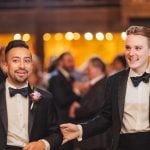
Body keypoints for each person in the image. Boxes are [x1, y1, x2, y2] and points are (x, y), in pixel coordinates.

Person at [60, 25, 150, 150]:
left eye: (138, 48)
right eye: (128, 48)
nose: (131, 53)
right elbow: (106, 117)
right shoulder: (114, 81)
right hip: (123, 145)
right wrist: (81, 129)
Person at [0, 40, 62, 150]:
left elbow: (57, 134)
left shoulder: (46, 98)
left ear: (31, 66)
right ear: (5, 66)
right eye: (15, 61)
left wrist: (43, 144)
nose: (22, 66)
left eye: (27, 61)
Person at [69, 57, 111, 150]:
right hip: (93, 136)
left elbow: (92, 108)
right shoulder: (99, 83)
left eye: (88, 69)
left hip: (95, 137)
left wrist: (75, 110)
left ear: (97, 69)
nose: (86, 72)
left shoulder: (101, 85)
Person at [47, 52, 80, 150]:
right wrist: (77, 91)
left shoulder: (70, 77)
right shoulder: (56, 77)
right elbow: (61, 100)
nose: (72, 64)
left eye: (73, 61)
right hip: (61, 122)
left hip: (69, 121)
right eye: (69, 61)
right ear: (61, 62)